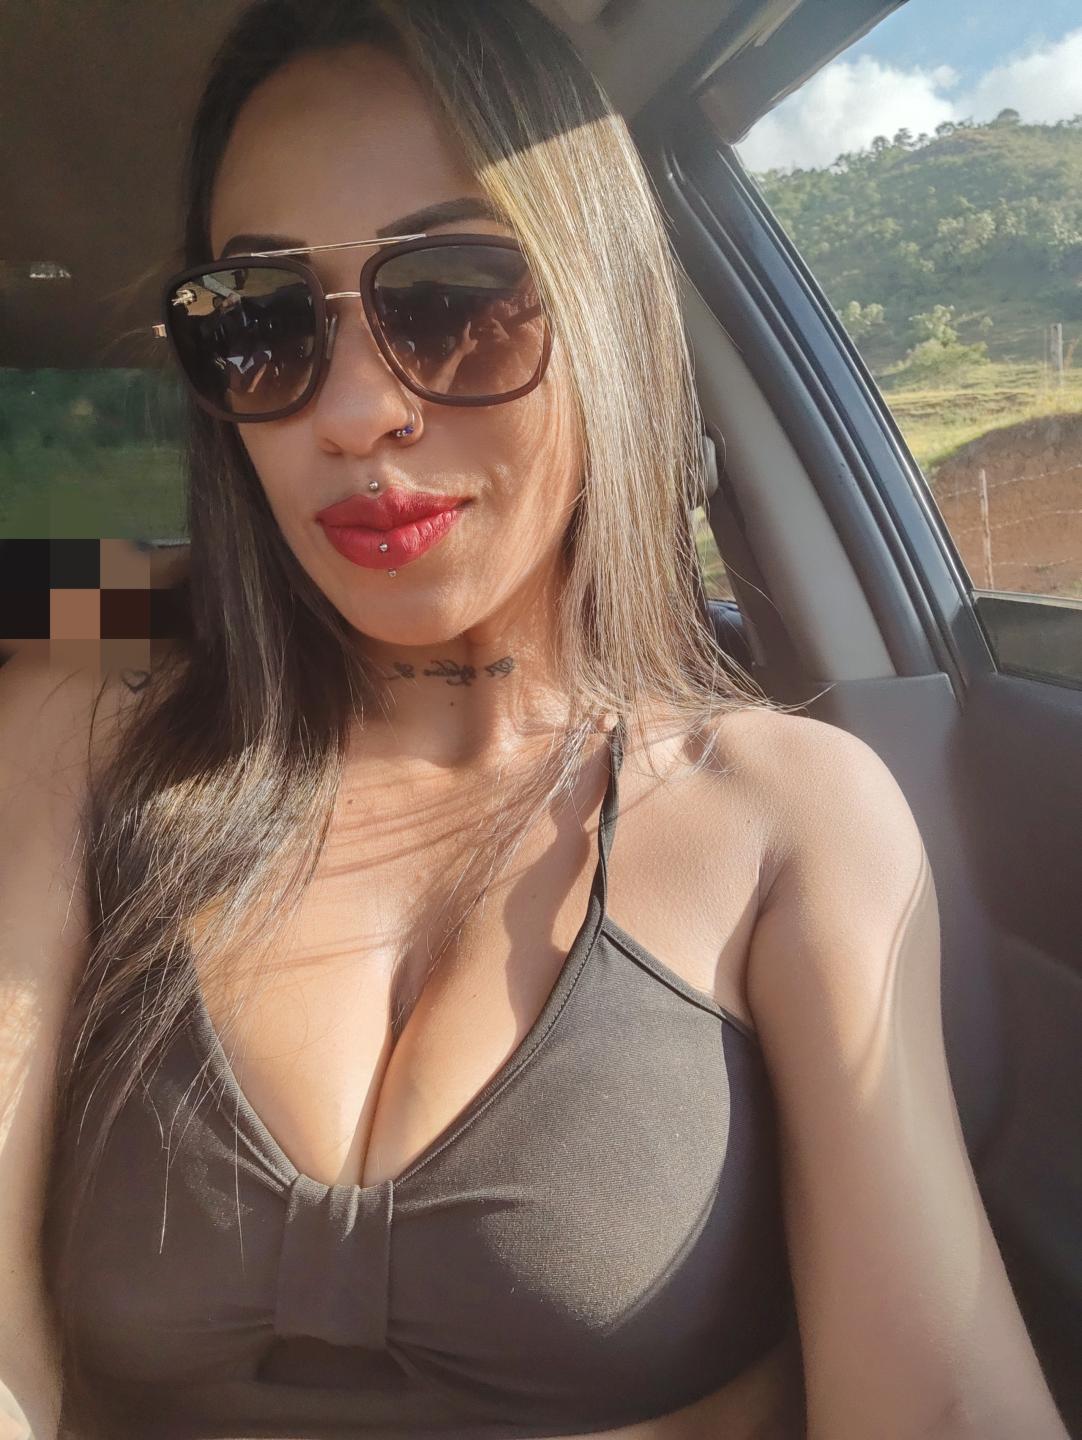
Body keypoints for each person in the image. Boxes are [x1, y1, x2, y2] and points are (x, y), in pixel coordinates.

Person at [0, 2, 1069, 1438]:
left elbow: (938, 1404)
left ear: (604, 306)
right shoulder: (80, 734)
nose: (356, 411)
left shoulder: (789, 813)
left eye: (455, 294)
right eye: (258, 320)